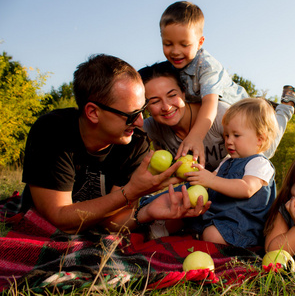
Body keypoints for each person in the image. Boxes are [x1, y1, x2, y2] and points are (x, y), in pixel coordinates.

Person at [20, 54, 209, 234]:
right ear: (93, 112)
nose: (140, 122)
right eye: (130, 115)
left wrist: (147, 212)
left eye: (143, 109)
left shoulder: (135, 144)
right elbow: (61, 219)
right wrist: (132, 191)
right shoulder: (52, 132)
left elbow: (112, 223)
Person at [159, 1, 295, 167]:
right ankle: (265, 104)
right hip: (224, 117)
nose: (175, 51)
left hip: (239, 108)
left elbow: (210, 105)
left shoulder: (207, 66)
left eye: (184, 44)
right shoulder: (170, 68)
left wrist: (196, 136)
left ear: (200, 42)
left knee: (264, 150)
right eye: (168, 44)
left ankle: (288, 105)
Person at [183, 97, 278, 248]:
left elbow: (246, 189)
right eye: (226, 135)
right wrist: (199, 175)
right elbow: (211, 180)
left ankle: (213, 244)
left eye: (236, 135)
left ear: (260, 139)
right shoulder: (227, 160)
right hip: (218, 217)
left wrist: (211, 181)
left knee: (211, 235)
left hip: (242, 226)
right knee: (184, 217)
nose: (228, 141)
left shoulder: (259, 163)